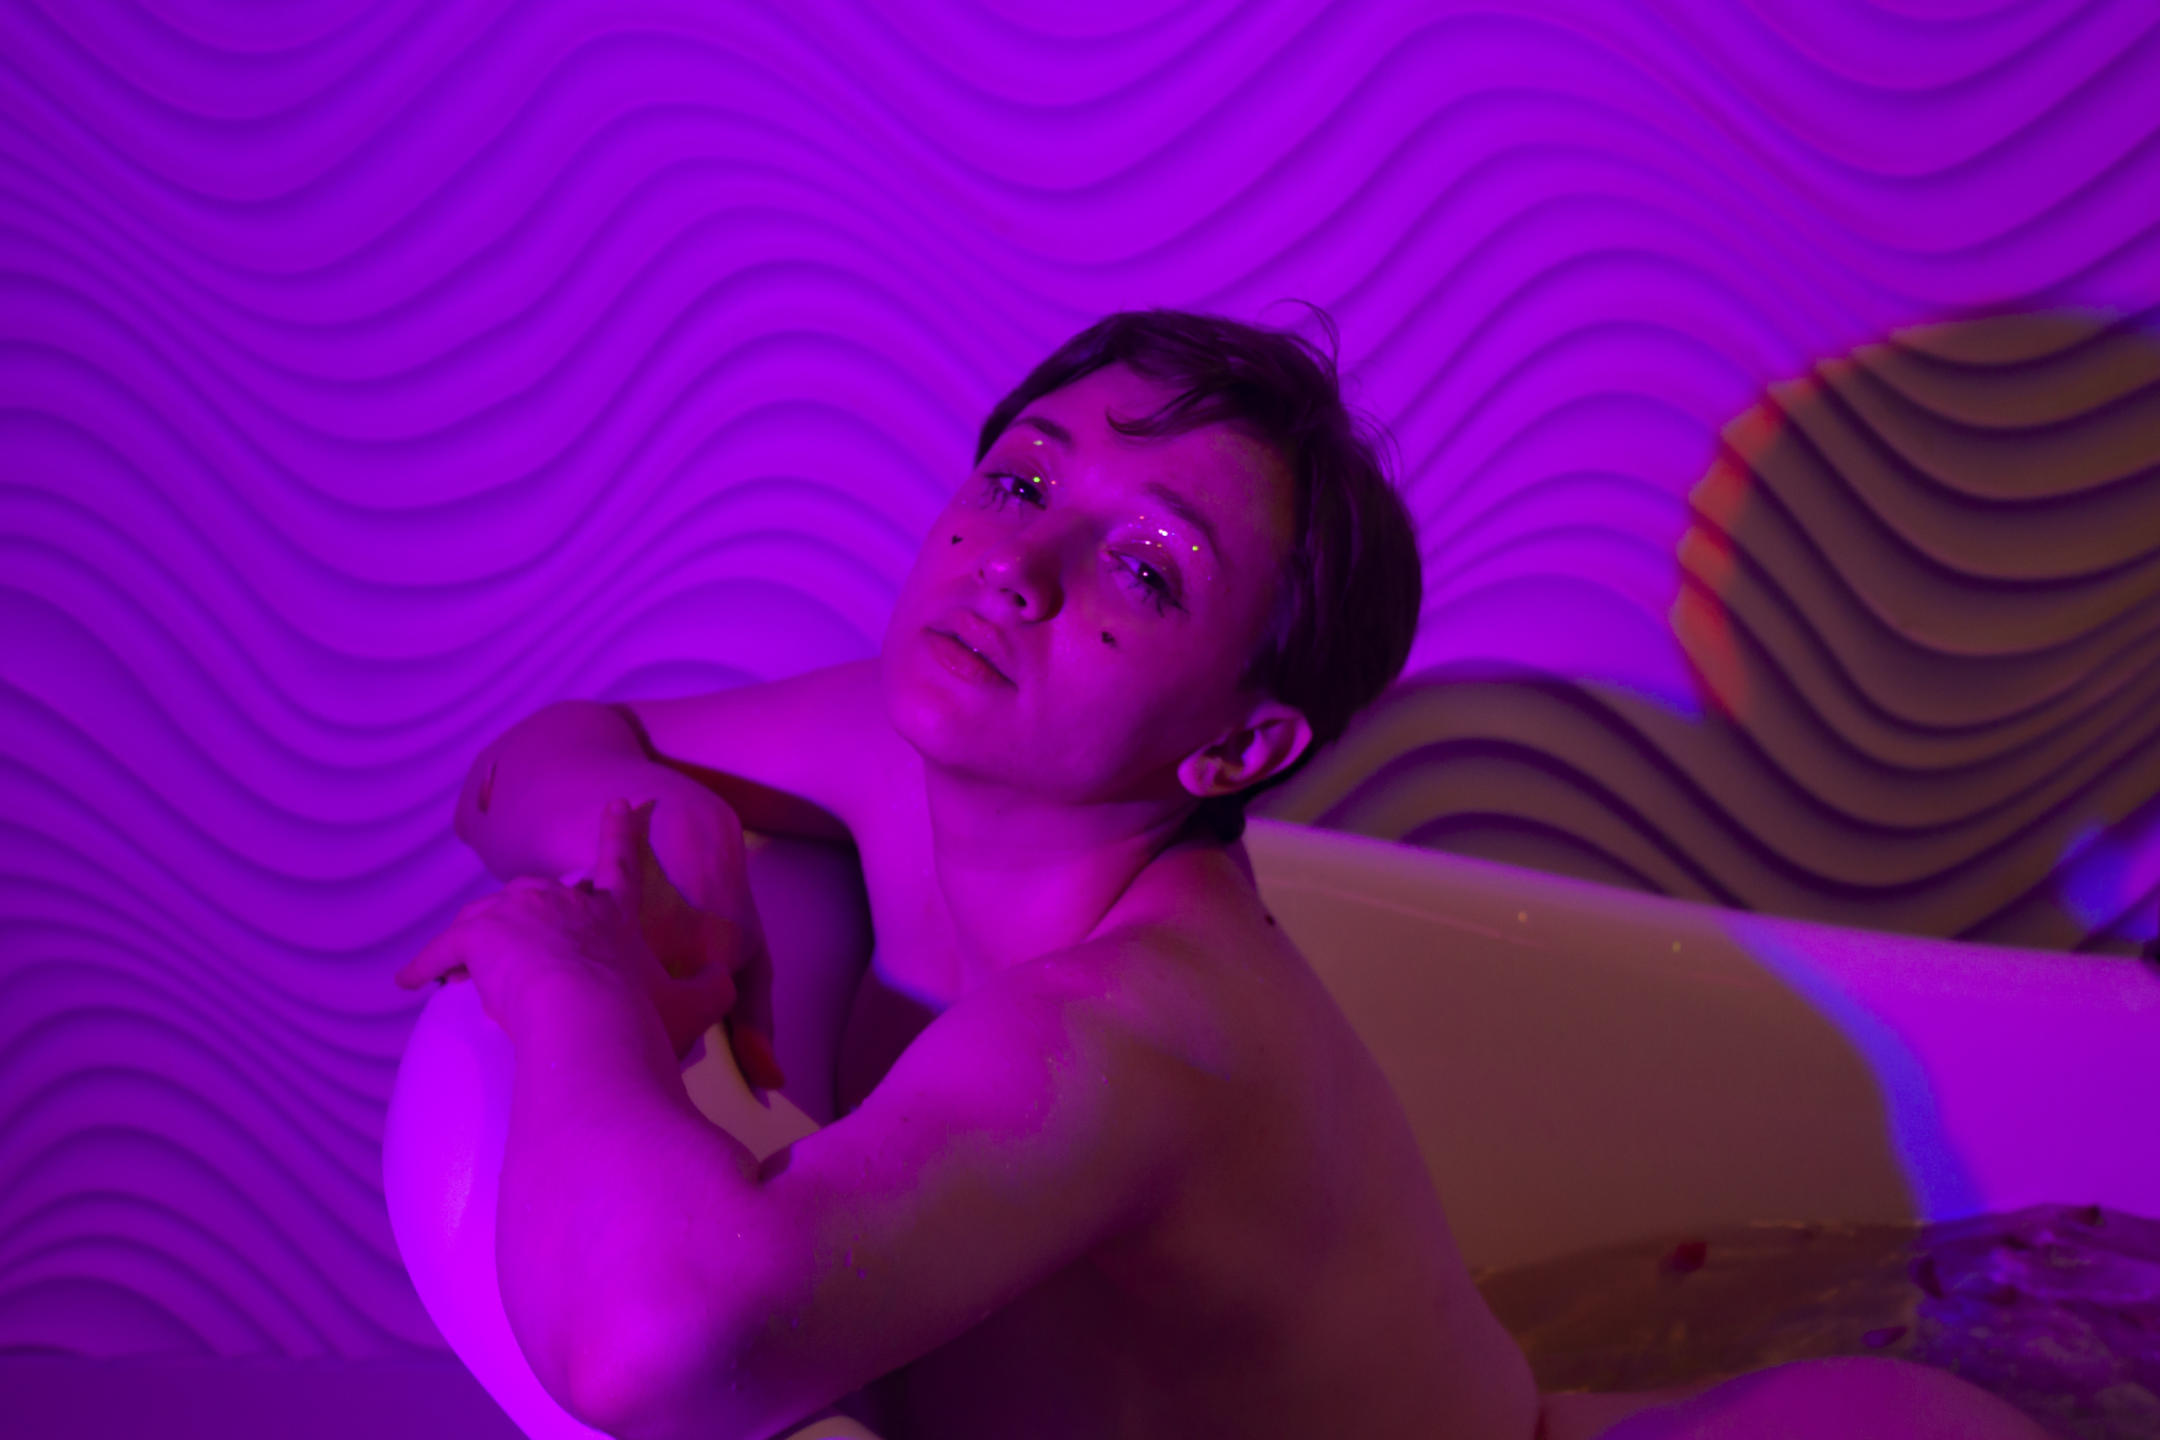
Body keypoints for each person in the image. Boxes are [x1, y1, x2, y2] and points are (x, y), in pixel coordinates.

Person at [397, 309, 2052, 1440]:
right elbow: (520, 767)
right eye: (1021, 480)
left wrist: (573, 988)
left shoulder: (1139, 1036)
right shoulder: (908, 746)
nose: (1018, 565)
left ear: (1236, 749)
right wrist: (647, 815)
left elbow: (656, 1348)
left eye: (1143, 570)